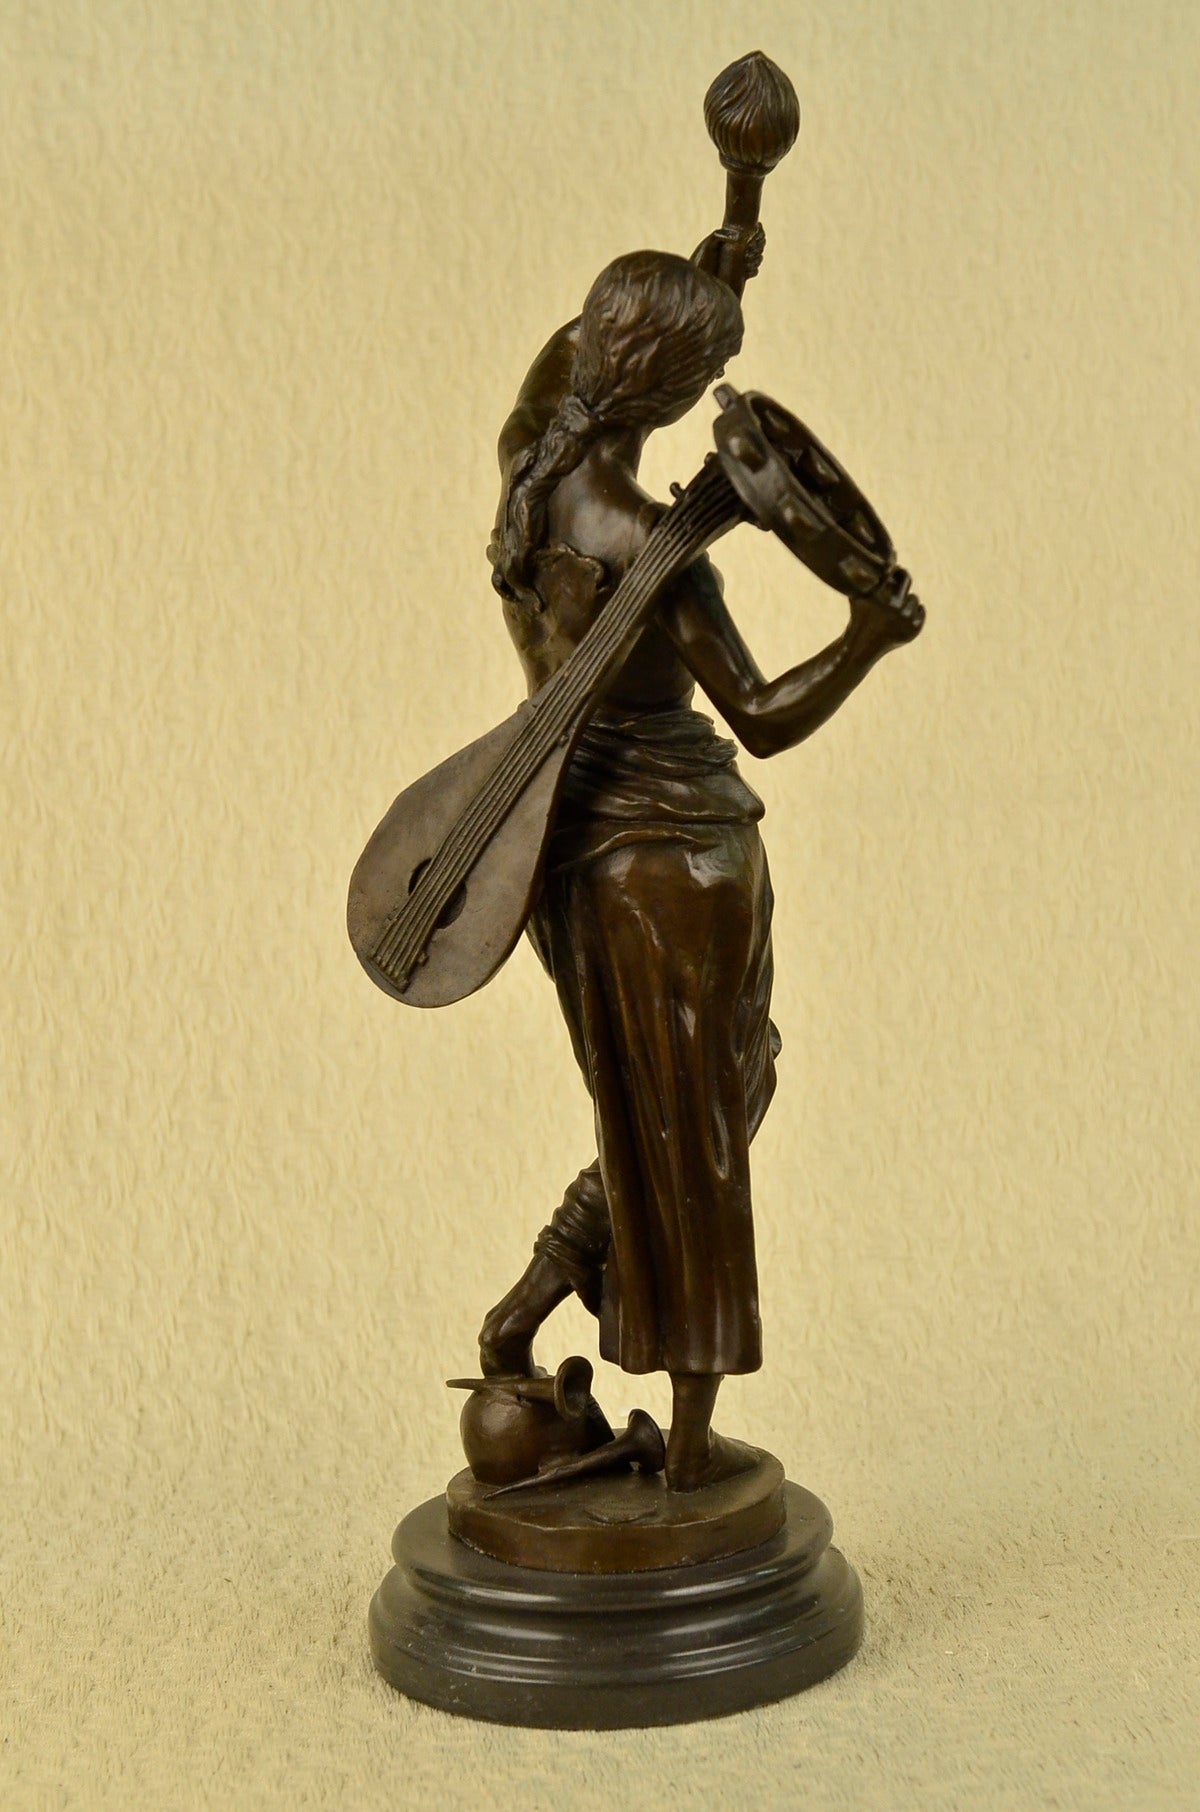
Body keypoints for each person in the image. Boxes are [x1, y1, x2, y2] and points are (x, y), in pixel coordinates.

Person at [479, 247, 922, 1490]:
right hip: (675, 862)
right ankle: (684, 1446)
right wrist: (870, 633)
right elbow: (763, 716)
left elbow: (599, 344)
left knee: (652, 1116)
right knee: (699, 1136)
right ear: (673, 390)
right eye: (708, 365)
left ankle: (521, 1314)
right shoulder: (653, 550)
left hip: (560, 852)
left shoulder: (528, 457)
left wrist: (726, 231)